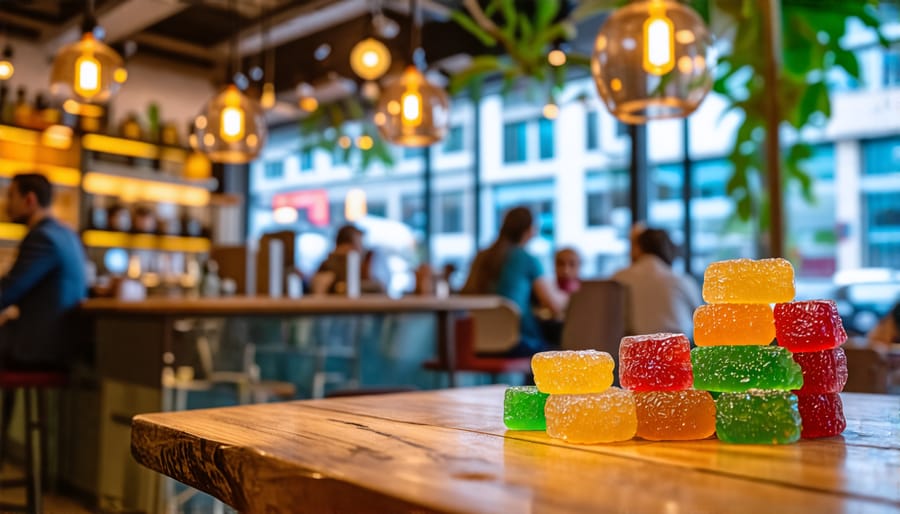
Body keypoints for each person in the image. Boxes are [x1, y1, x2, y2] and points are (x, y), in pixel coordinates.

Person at [0, 173, 87, 370]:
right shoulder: (67, 233)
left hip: (41, 346)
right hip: (61, 343)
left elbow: (7, 291)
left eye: (11, 196)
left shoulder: (42, 237)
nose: (7, 204)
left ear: (30, 199)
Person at [462, 207, 568, 355]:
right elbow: (554, 305)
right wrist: (572, 297)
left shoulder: (481, 257)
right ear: (530, 230)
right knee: (560, 352)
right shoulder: (526, 259)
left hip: (475, 340)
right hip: (515, 341)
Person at [611, 225, 701, 339]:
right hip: (678, 349)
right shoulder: (681, 280)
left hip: (635, 350)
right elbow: (700, 318)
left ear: (638, 248)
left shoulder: (619, 278)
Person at [313, 224, 383, 294]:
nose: (361, 249)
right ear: (344, 247)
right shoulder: (327, 268)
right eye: (358, 244)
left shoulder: (364, 265)